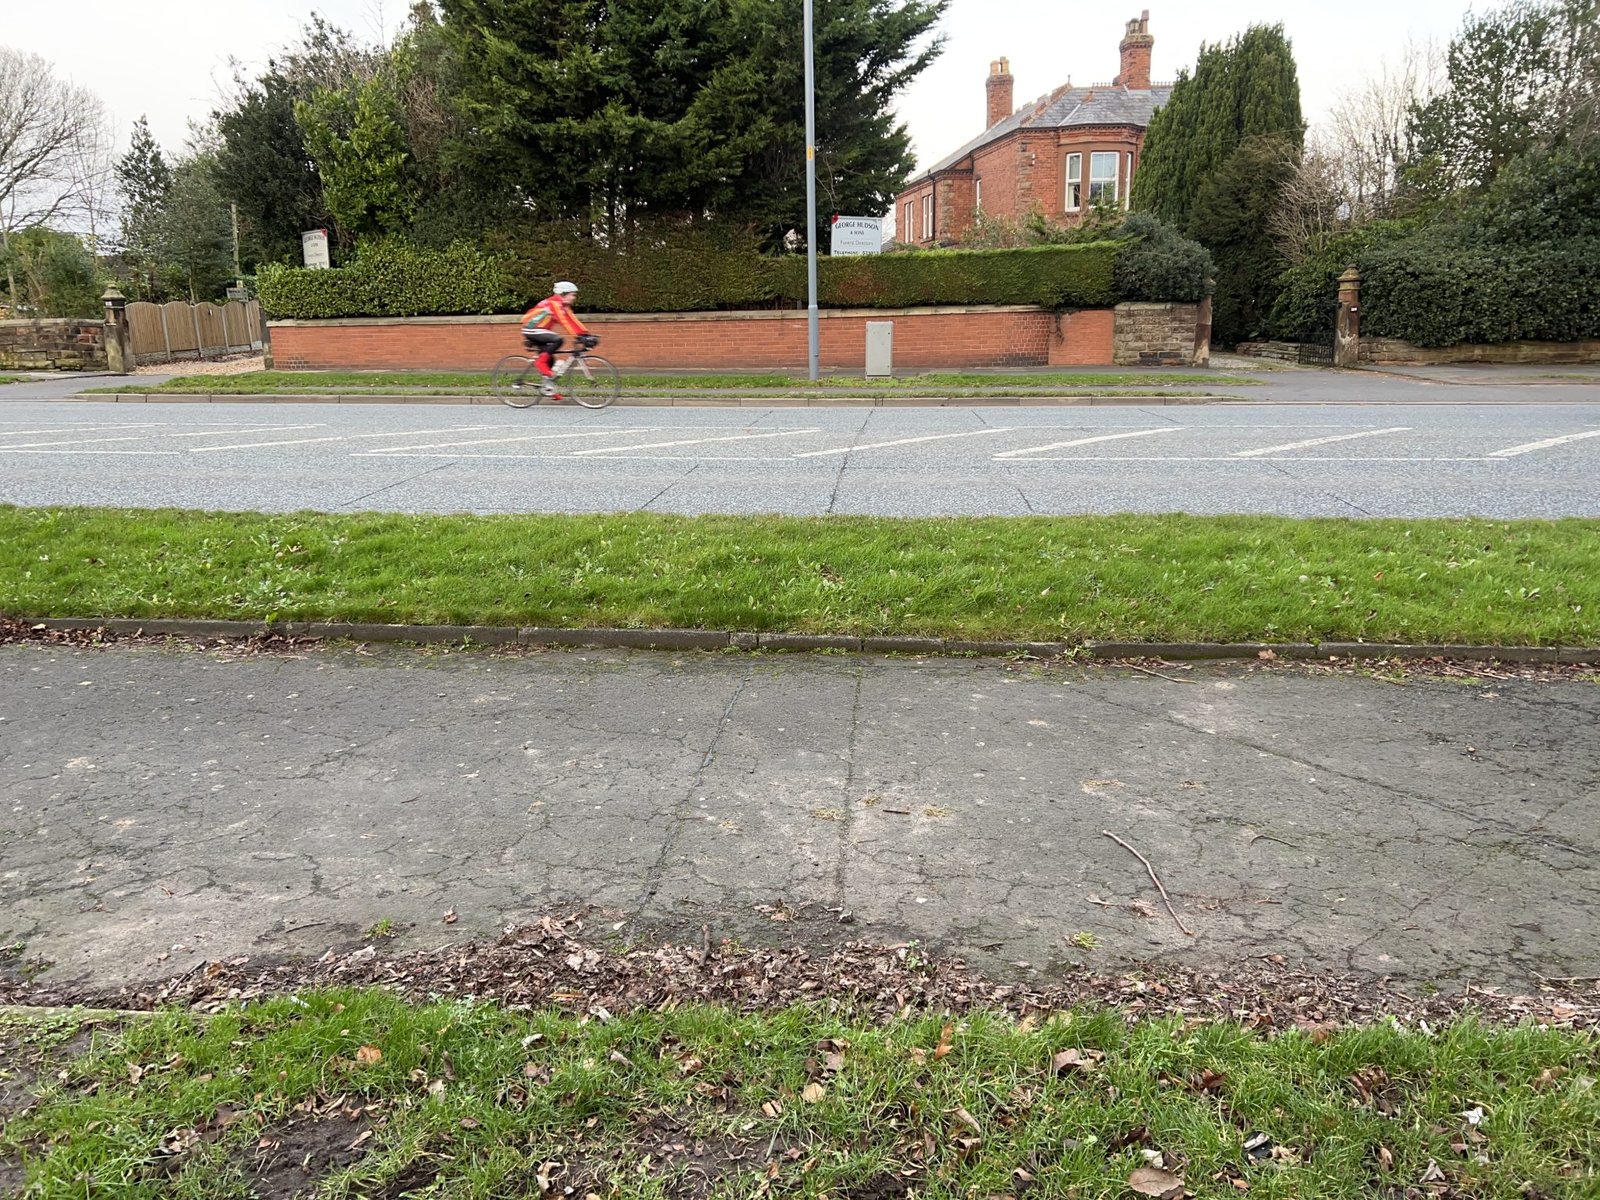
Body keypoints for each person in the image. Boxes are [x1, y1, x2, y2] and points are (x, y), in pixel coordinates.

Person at [521, 281, 597, 399]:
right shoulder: (554, 303)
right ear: (563, 294)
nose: (574, 297)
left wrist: (585, 334)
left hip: (541, 330)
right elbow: (564, 322)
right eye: (572, 294)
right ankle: (540, 362)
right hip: (532, 329)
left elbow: (573, 320)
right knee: (558, 340)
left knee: (550, 361)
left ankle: (549, 390)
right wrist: (579, 336)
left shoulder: (564, 306)